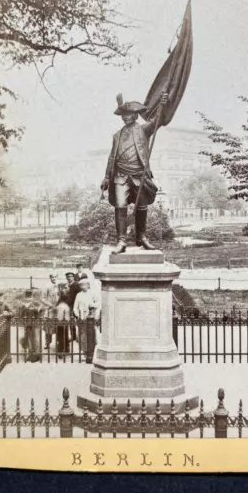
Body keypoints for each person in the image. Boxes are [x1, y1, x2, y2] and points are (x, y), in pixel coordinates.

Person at [100, 92, 168, 254]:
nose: (125, 117)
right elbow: (112, 157)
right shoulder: (117, 135)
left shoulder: (143, 130)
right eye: (123, 115)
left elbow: (157, 121)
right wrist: (106, 176)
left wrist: (162, 105)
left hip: (139, 175)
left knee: (142, 207)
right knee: (120, 206)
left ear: (136, 115)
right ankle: (121, 240)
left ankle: (142, 237)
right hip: (120, 175)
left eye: (128, 114)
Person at [73, 277, 101, 359]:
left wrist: (93, 305)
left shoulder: (93, 293)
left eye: (84, 285)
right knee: (82, 336)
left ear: (88, 285)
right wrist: (78, 315)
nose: (82, 286)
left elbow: (98, 303)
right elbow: (75, 307)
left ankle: (92, 352)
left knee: (93, 335)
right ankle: (85, 352)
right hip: (82, 318)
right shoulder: (79, 295)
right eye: (81, 285)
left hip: (91, 318)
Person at [55, 281, 71, 357]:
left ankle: (61, 350)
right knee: (65, 335)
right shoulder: (66, 306)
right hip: (66, 321)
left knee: (60, 336)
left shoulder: (60, 305)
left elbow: (59, 316)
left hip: (61, 322)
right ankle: (66, 348)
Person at [44, 274, 60, 349]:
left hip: (58, 309)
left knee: (58, 327)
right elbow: (43, 298)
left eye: (55, 277)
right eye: (52, 277)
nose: (54, 278)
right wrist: (49, 304)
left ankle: (58, 343)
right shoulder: (47, 287)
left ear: (57, 277)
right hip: (50, 309)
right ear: (50, 278)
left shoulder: (60, 286)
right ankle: (47, 343)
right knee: (48, 327)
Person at [66, 271, 82, 341]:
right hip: (69, 306)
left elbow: (80, 294)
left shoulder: (76, 284)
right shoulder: (66, 285)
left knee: (78, 321)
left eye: (71, 276)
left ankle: (80, 337)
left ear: (73, 277)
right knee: (71, 321)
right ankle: (73, 336)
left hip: (76, 305)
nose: (69, 278)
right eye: (68, 277)